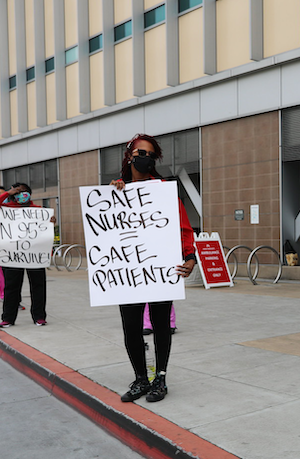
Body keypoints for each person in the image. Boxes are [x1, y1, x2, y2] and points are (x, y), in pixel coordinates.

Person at [111, 134, 196, 403]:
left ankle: (160, 377)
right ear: (129, 156)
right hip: (129, 272)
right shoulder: (115, 192)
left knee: (160, 325)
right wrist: (113, 197)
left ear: (155, 158)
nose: (143, 157)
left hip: (159, 270)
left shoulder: (164, 191)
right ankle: (140, 379)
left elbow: (183, 228)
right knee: (131, 328)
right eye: (139, 152)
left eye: (149, 153)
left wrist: (190, 257)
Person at [0, 183, 53, 327]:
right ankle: (8, 318)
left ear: (30, 193)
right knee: (11, 287)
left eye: (24, 191)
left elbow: (45, 231)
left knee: (38, 286)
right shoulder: (8, 209)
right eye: (18, 192)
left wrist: (50, 223)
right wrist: (7, 193)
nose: (21, 195)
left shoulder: (39, 210)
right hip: (13, 254)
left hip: (34, 254)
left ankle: (39, 316)